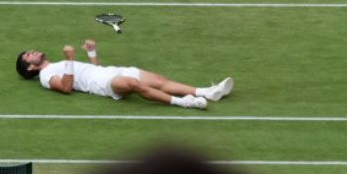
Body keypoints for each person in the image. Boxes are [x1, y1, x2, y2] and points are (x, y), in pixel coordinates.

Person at [15, 37, 231, 109]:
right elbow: (66, 88)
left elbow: (94, 69)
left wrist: (92, 52)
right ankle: (186, 103)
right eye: (28, 56)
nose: (32, 52)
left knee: (159, 80)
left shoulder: (58, 63)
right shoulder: (45, 77)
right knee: (133, 85)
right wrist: (71, 60)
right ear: (31, 68)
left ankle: (207, 91)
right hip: (103, 85)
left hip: (109, 72)